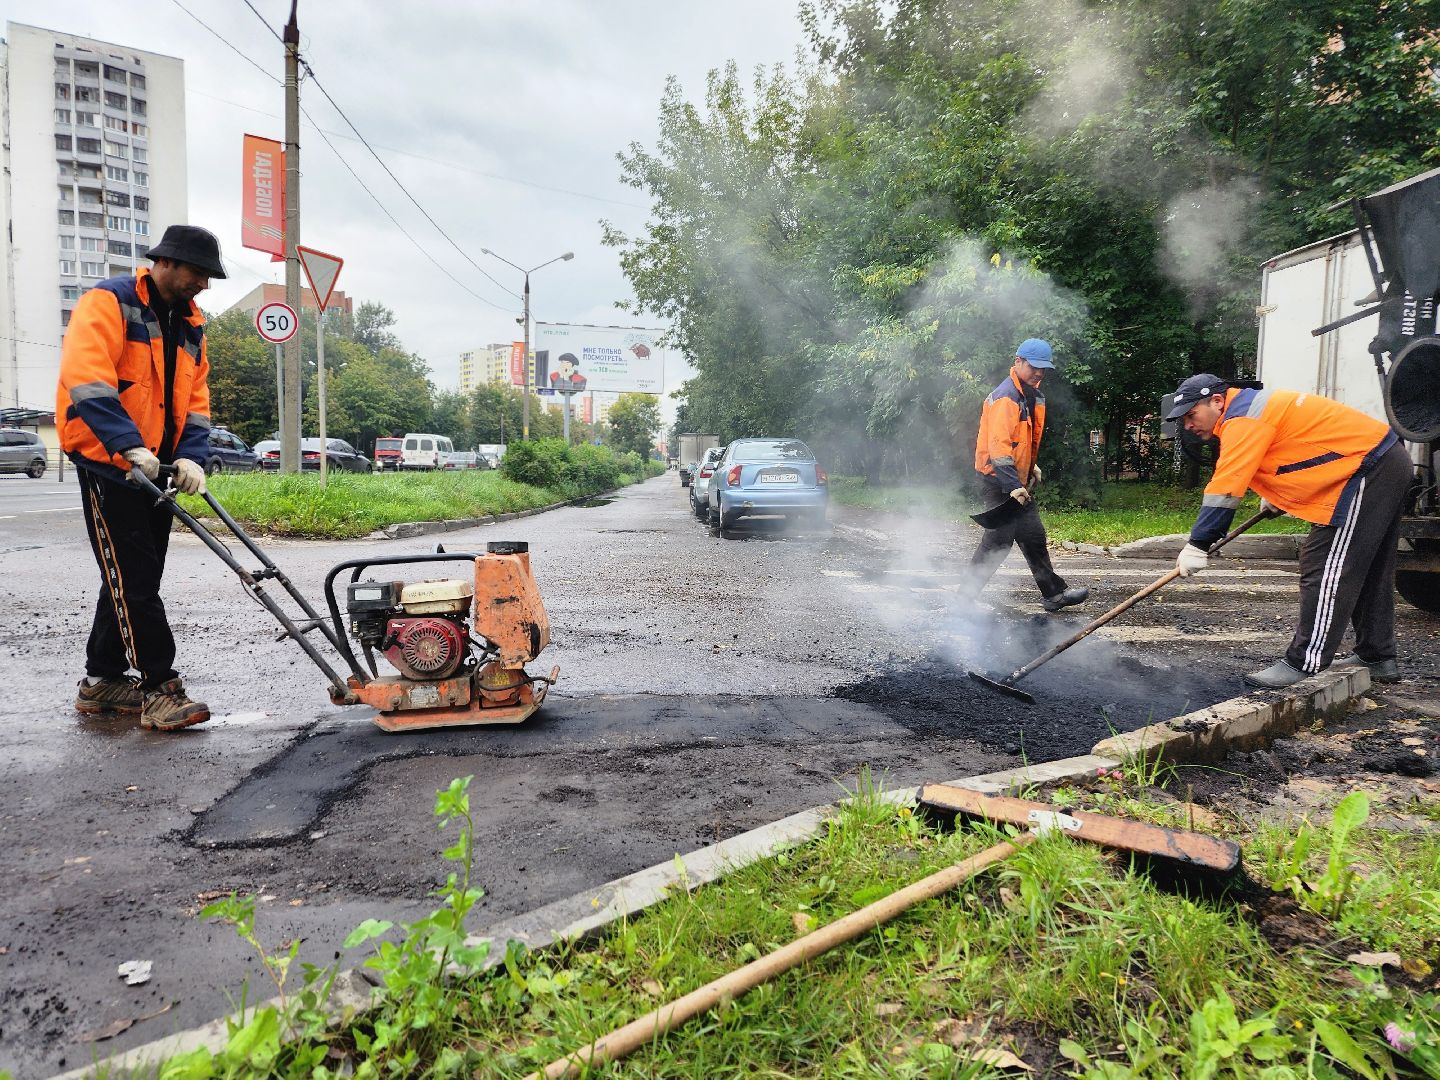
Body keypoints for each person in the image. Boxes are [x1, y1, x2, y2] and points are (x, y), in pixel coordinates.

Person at [56, 225, 227, 730]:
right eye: (199, 272)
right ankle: (159, 687)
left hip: (158, 469)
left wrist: (192, 456)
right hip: (110, 463)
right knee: (133, 577)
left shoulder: (191, 326)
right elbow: (87, 378)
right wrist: (126, 444)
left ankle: (102, 679)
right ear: (166, 262)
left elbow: (196, 404)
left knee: (136, 576)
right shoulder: (109, 302)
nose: (205, 285)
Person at [1166, 373, 1409, 688]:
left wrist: (1198, 544)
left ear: (1216, 401)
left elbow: (1226, 485)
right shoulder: (1247, 409)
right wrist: (1278, 495)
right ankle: (1377, 657)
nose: (1188, 425)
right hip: (1382, 461)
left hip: (1367, 468)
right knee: (1369, 570)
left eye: (1191, 414)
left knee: (1326, 566)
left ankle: (1304, 662)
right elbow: (1294, 450)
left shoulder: (1242, 418)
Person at [967, 338, 1089, 612]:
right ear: (1018, 362)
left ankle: (1054, 595)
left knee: (1033, 535)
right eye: (1034, 366)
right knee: (998, 541)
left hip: (1014, 479)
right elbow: (999, 448)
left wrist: (1030, 465)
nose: (1039, 372)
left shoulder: (1027, 394)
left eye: (1043, 368)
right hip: (999, 481)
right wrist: (1013, 484)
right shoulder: (1006, 397)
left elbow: (1019, 441)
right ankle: (964, 599)